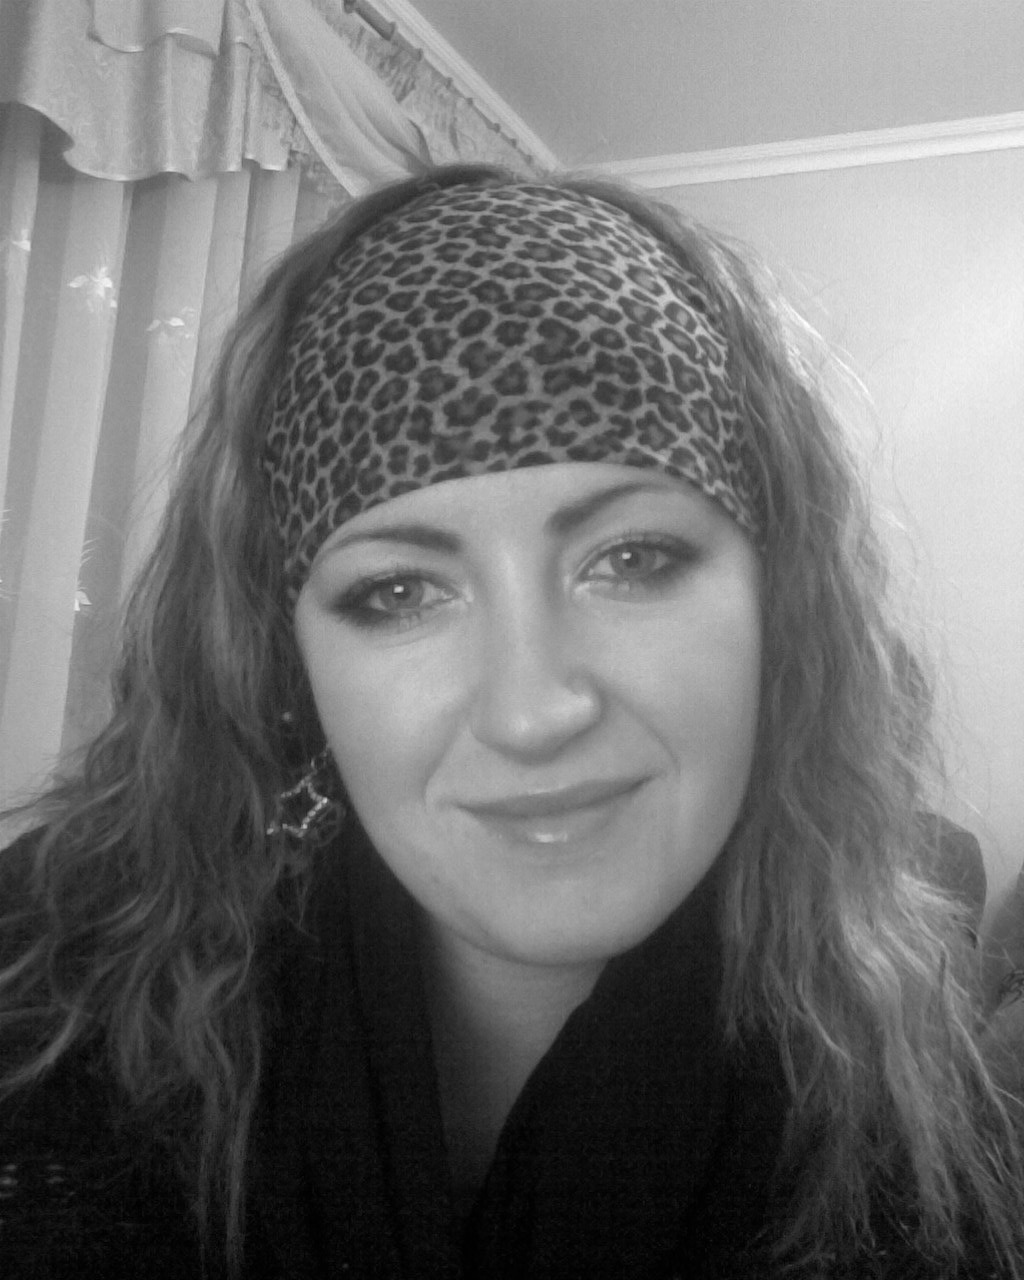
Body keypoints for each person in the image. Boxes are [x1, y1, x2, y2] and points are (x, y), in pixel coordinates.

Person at [0, 163, 1020, 1280]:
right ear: (286, 658)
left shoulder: (920, 1139)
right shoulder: (46, 1001)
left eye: (632, 558)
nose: (532, 711)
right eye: (399, 592)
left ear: (778, 609)